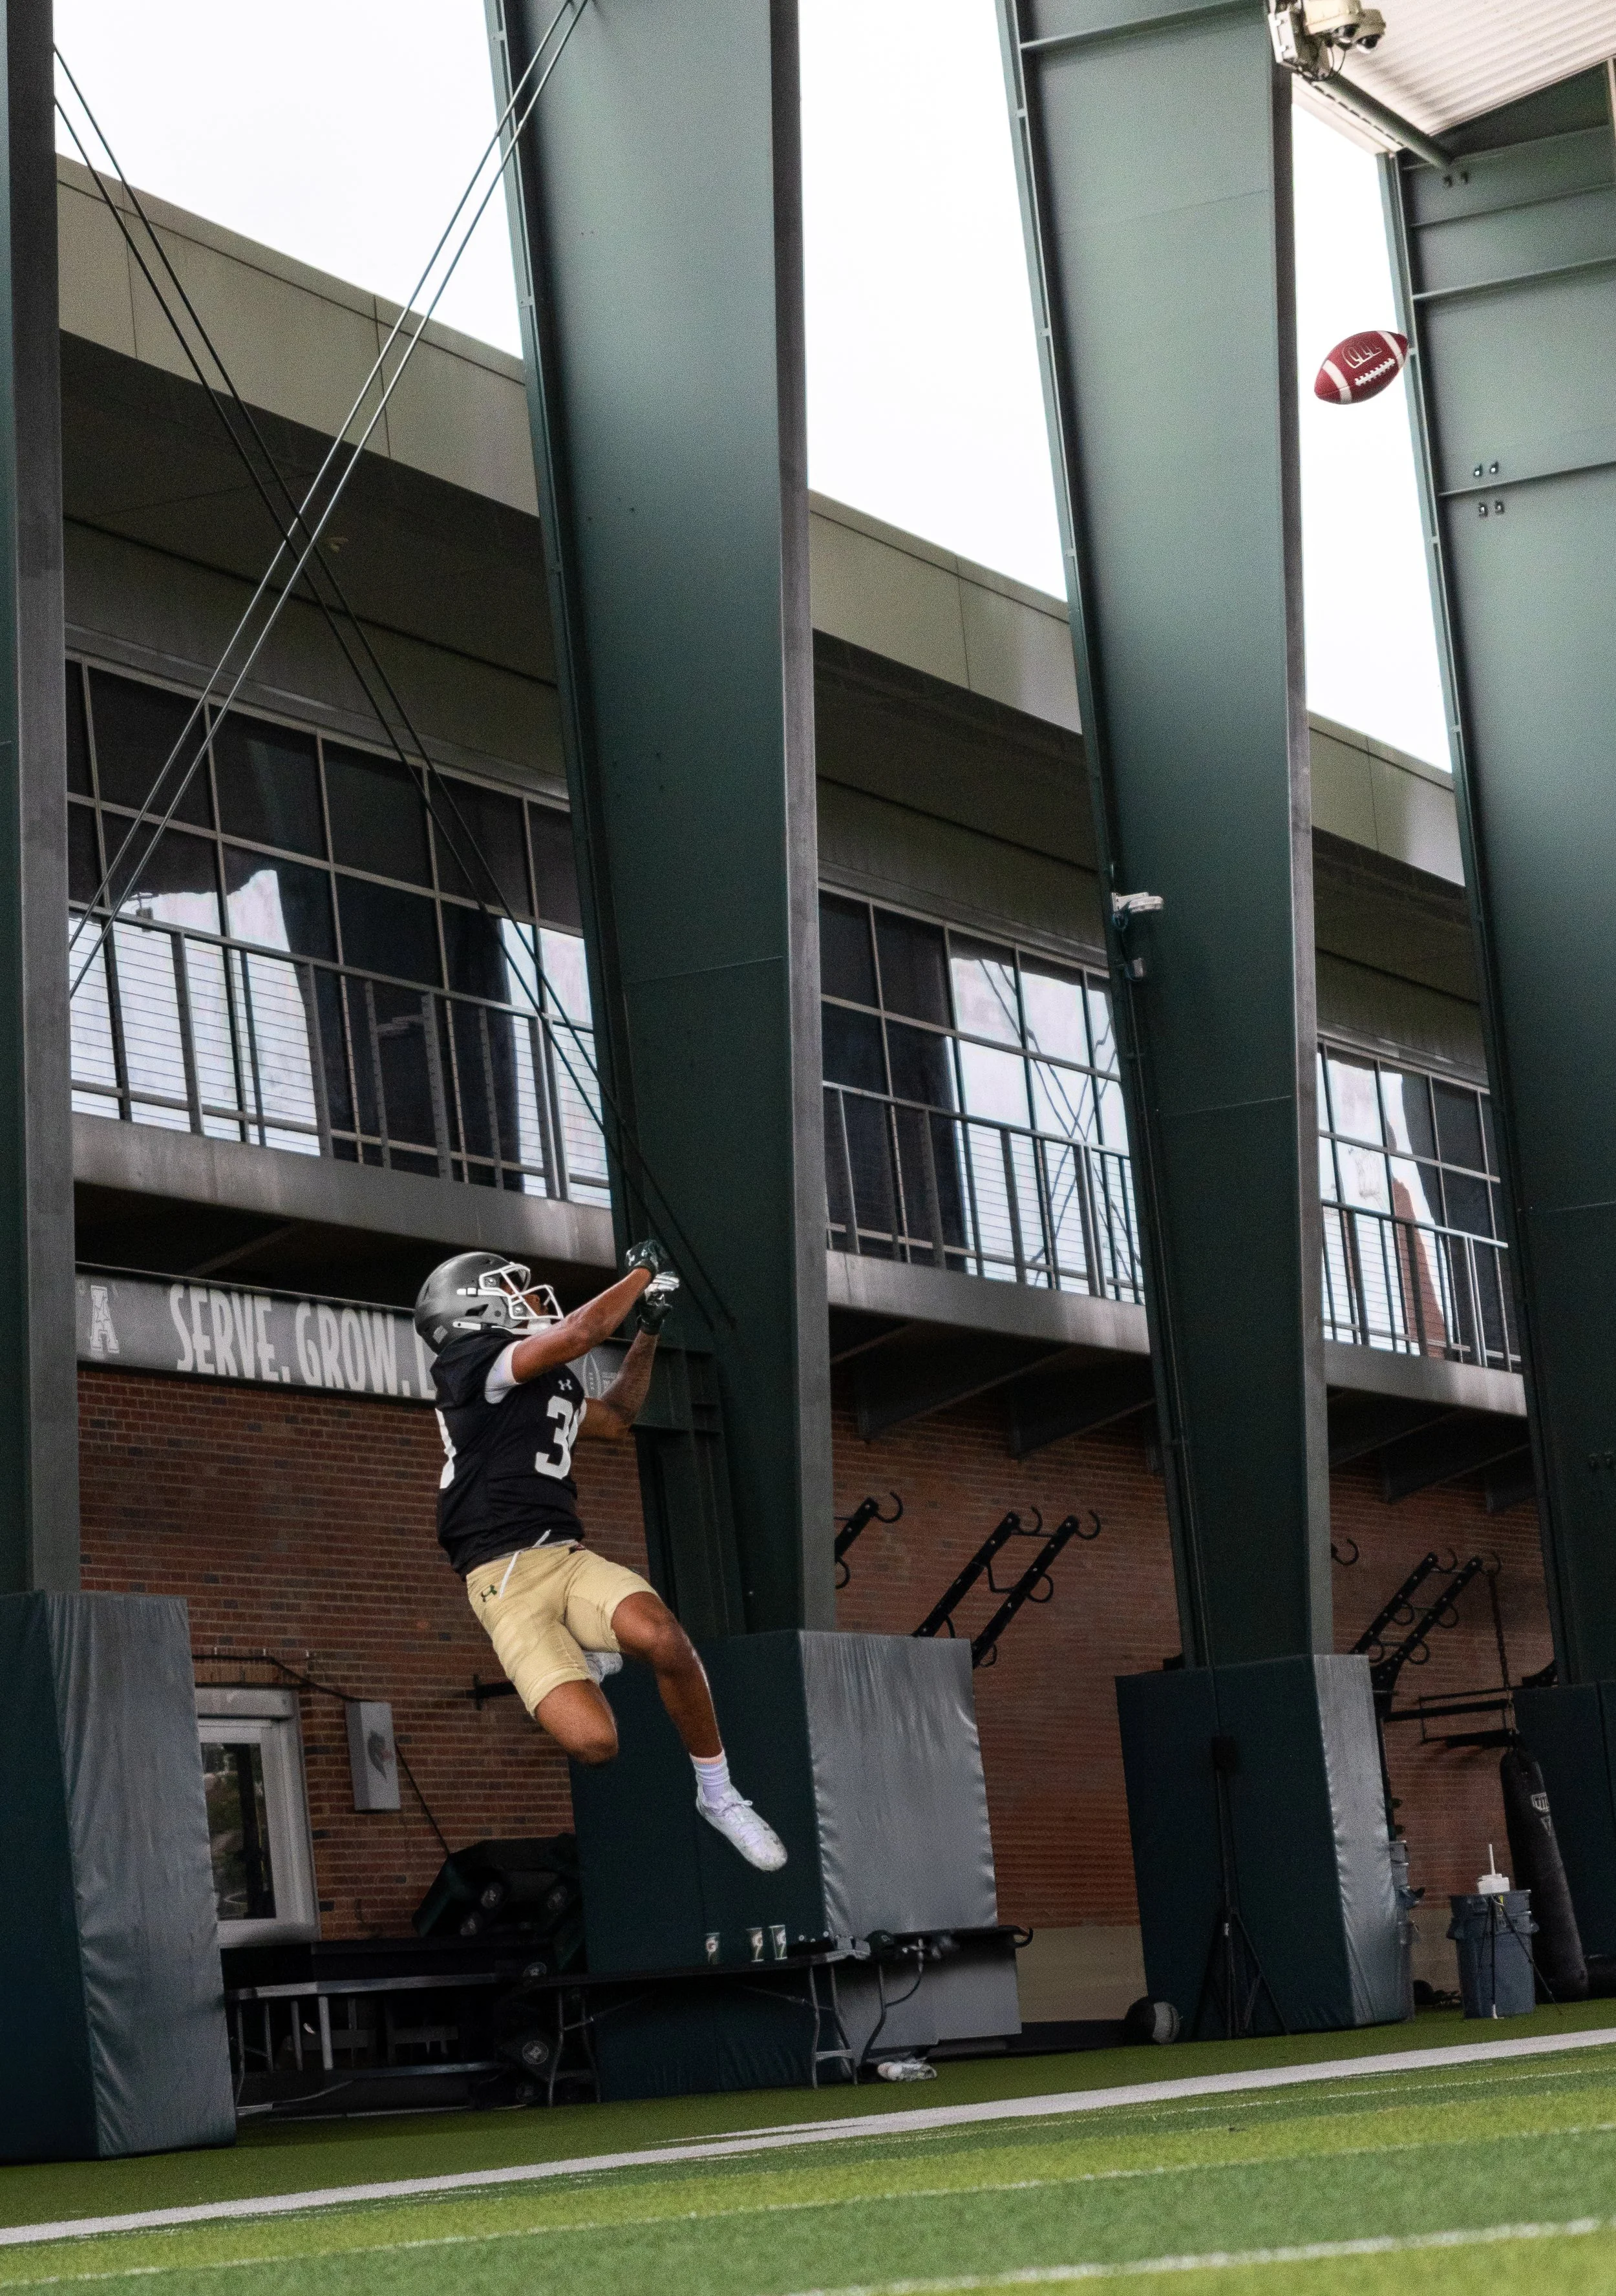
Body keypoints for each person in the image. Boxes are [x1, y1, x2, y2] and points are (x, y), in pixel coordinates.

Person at [414, 1243, 786, 1871]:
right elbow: (583, 1330)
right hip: (501, 1580)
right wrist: (640, 1276)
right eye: (516, 1288)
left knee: (663, 1639)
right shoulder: (471, 1362)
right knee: (595, 1744)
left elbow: (614, 1417)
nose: (534, 1298)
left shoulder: (537, 1374)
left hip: (563, 1552)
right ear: (474, 1309)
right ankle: (582, 1650)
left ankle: (719, 1795)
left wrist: (649, 1328)